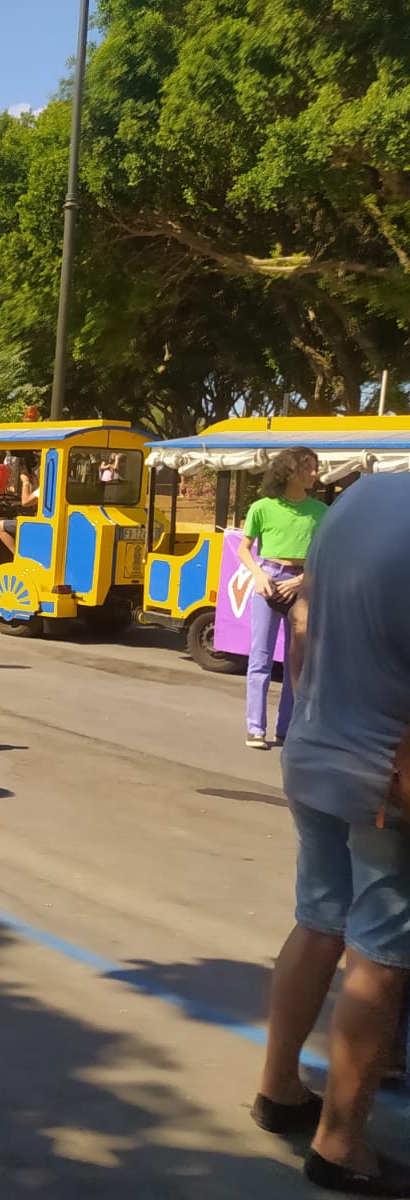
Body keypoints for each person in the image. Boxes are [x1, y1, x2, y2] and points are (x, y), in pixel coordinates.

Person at [251, 474, 410, 1195]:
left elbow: (305, 619)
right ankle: (342, 1143)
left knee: (318, 920)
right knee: (381, 951)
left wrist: (312, 714)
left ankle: (278, 1088)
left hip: (315, 740)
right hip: (388, 768)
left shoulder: (360, 501)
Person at [236, 446, 326, 750]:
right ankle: (255, 728)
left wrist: (302, 580)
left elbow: (325, 556)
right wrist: (259, 576)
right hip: (268, 580)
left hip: (304, 584)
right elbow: (244, 549)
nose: (315, 473)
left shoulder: (321, 511)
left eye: (315, 467)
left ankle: (287, 728)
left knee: (295, 662)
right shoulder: (262, 507)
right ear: (290, 471)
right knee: (259, 657)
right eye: (309, 467)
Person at [0, 453, 40, 553]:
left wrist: (25, 483)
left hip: (39, 525)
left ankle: (18, 556)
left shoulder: (46, 488)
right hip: (41, 522)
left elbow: (25, 502)